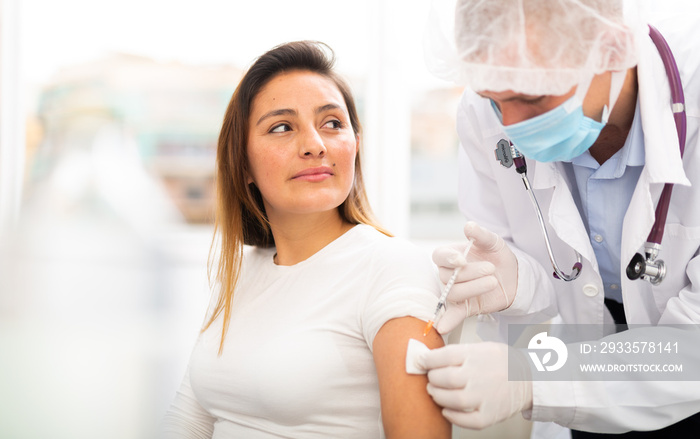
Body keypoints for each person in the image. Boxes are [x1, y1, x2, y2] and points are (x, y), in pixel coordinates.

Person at [419, 0, 700, 438]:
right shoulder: (483, 108)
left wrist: (536, 379)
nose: (510, 125)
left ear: (611, 51)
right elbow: (545, 263)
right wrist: (517, 282)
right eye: (495, 100)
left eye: (532, 97)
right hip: (582, 379)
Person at [160, 41, 450, 439]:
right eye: (282, 127)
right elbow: (189, 418)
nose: (315, 144)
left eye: (332, 123)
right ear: (242, 163)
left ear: (355, 144)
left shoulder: (392, 267)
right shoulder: (239, 271)